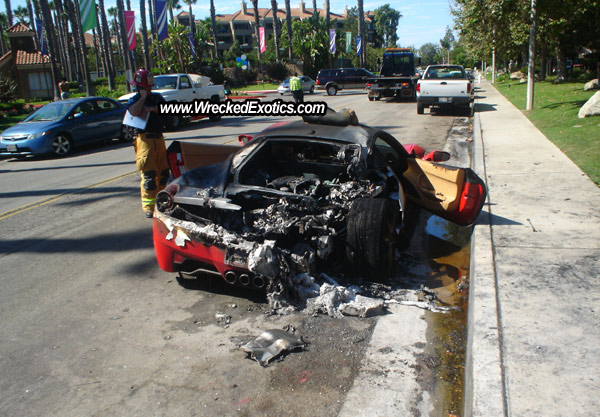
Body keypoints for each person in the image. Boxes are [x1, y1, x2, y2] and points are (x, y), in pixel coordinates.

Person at [127, 68, 169, 218]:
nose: (149, 89)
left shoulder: (157, 98)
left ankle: (163, 201)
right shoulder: (134, 100)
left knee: (163, 173)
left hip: (159, 138)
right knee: (149, 175)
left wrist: (151, 108)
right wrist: (143, 98)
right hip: (144, 139)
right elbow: (133, 111)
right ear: (140, 87)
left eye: (150, 87)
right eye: (146, 87)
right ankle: (149, 207)